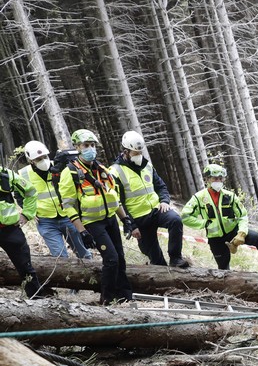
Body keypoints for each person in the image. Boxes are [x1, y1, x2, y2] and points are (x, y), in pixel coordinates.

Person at [60, 128, 138, 305]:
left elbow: (113, 197)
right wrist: (82, 231)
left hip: (110, 219)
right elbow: (68, 206)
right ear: (78, 147)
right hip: (92, 223)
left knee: (120, 257)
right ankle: (107, 298)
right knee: (111, 259)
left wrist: (125, 219)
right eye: (86, 145)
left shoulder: (102, 170)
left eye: (93, 145)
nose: (91, 149)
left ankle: (125, 296)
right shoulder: (71, 173)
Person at [181, 164, 258, 275]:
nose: (218, 181)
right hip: (215, 238)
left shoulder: (230, 196)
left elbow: (242, 215)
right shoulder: (198, 197)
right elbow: (185, 216)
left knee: (257, 237)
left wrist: (242, 233)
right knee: (223, 269)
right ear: (207, 179)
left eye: (220, 178)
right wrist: (203, 223)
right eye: (215, 178)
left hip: (233, 231)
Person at [110, 131, 188, 268]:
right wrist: (131, 225)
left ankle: (176, 258)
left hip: (156, 210)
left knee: (175, 220)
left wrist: (164, 201)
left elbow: (161, 186)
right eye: (135, 152)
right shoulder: (115, 171)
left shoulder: (148, 166)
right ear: (126, 151)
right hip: (139, 219)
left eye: (140, 152)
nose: (139, 155)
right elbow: (117, 202)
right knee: (157, 260)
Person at [18, 141, 91, 259]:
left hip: (68, 217)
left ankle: (93, 275)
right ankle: (65, 277)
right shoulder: (23, 174)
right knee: (60, 257)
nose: (43, 160)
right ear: (31, 160)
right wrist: (28, 210)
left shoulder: (59, 166)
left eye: (45, 157)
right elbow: (19, 194)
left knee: (83, 252)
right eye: (38, 159)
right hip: (46, 221)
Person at [0, 163, 52, 298]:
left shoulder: (6, 174)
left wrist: (27, 214)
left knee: (26, 269)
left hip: (9, 230)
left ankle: (37, 301)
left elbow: (30, 191)